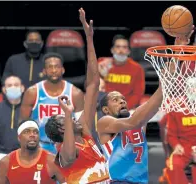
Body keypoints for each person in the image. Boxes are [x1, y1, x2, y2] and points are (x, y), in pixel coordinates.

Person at [96, 31, 194, 183]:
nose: (122, 101)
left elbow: (156, 99)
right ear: (106, 109)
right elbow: (133, 122)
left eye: (122, 99)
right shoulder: (105, 122)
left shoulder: (137, 117)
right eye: (115, 100)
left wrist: (177, 49)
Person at [45, 8, 109, 184]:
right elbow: (70, 156)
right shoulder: (63, 152)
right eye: (68, 119)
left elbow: (93, 84)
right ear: (62, 129)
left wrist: (89, 38)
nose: (73, 118)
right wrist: (66, 112)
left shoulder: (86, 134)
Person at [19, 50, 84, 154]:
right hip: (39, 146)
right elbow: (23, 123)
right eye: (50, 67)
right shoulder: (32, 92)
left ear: (63, 69)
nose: (53, 70)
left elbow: (82, 126)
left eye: (57, 66)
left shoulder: (75, 94)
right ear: (44, 71)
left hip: (67, 146)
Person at [166, 77, 196, 184]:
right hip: (184, 146)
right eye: (190, 87)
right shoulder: (175, 107)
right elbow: (171, 134)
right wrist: (176, 145)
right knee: (173, 166)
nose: (193, 90)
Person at [0, 119, 66, 184]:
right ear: (19, 137)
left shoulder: (52, 161)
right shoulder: (6, 163)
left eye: (36, 132)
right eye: (27, 132)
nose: (32, 135)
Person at [98, 34, 145, 110]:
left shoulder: (137, 68)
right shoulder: (102, 64)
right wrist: (100, 76)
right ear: (112, 50)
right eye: (118, 47)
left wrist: (123, 108)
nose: (121, 50)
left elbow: (137, 94)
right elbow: (88, 86)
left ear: (128, 51)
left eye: (124, 47)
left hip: (126, 107)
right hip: (104, 106)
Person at [0, 76, 25, 166]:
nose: (13, 87)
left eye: (16, 85)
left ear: (22, 88)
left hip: (24, 156)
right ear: (4, 90)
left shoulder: (29, 109)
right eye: (9, 85)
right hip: (0, 156)